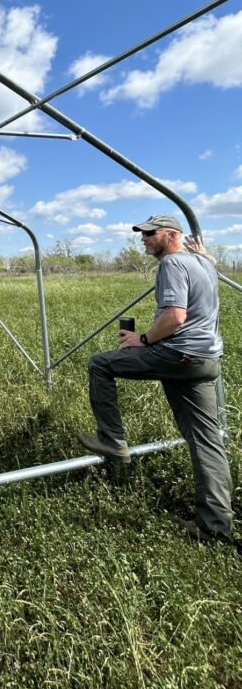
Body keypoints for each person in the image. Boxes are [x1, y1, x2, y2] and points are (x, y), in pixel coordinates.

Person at [78, 214, 233, 542]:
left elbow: (175, 316)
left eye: (151, 233)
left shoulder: (171, 266)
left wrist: (143, 339)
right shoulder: (204, 263)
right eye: (142, 233)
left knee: (100, 364)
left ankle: (112, 440)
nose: (144, 238)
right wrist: (205, 255)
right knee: (206, 441)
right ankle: (215, 526)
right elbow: (209, 267)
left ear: (172, 235)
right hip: (206, 359)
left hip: (179, 354)